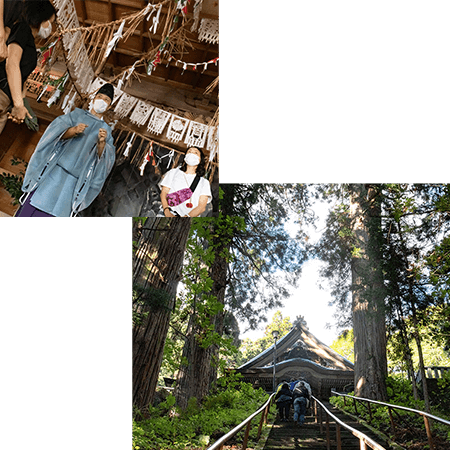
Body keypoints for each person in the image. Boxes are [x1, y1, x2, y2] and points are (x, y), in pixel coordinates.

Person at [15, 83, 116, 217]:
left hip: (73, 184)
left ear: (109, 106)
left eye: (106, 100)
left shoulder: (106, 131)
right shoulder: (76, 115)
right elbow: (53, 133)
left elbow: (106, 162)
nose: (102, 101)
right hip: (53, 172)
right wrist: (72, 131)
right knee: (34, 206)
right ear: (93, 99)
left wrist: (102, 144)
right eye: (100, 97)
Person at [0, 0, 56, 134]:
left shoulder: (29, 41)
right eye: (50, 22)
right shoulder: (22, 28)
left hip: (5, 100)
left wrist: (21, 103)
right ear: (41, 18)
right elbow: (12, 63)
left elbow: (22, 75)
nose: (50, 27)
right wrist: (18, 104)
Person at [159, 147, 212, 217]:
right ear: (185, 157)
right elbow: (164, 193)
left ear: (200, 160)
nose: (192, 153)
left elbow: (201, 207)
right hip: (166, 213)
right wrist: (166, 211)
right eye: (189, 152)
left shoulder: (204, 182)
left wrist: (186, 217)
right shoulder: (173, 172)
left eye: (196, 153)